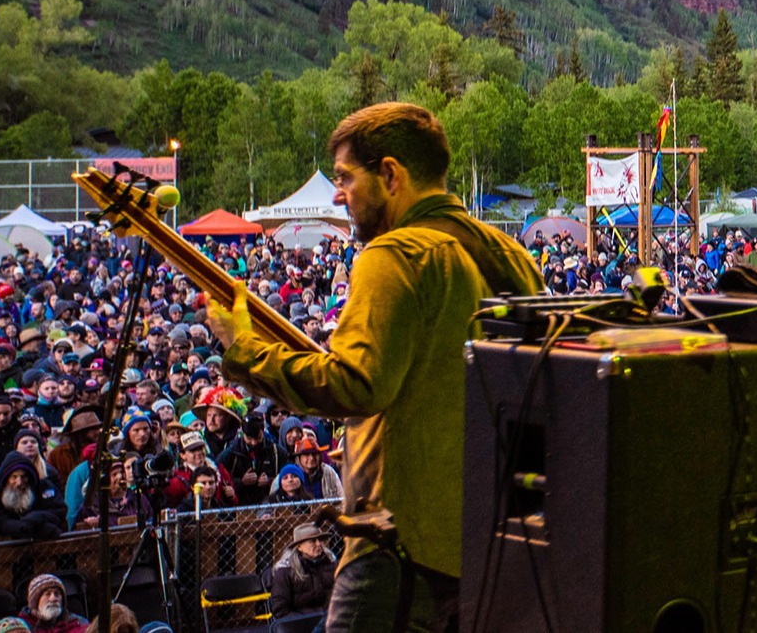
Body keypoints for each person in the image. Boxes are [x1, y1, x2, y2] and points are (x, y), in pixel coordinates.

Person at [207, 102, 542, 633]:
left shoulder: (395, 255)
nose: (337, 194)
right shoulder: (511, 256)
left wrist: (245, 349)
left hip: (400, 551)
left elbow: (357, 385)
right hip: (490, 548)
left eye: (344, 177)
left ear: (390, 175)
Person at [270, 523, 339, 617]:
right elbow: (281, 610)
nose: (318, 544)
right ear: (299, 547)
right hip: (301, 623)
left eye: (320, 540)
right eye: (312, 541)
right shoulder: (285, 571)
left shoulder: (331, 564)